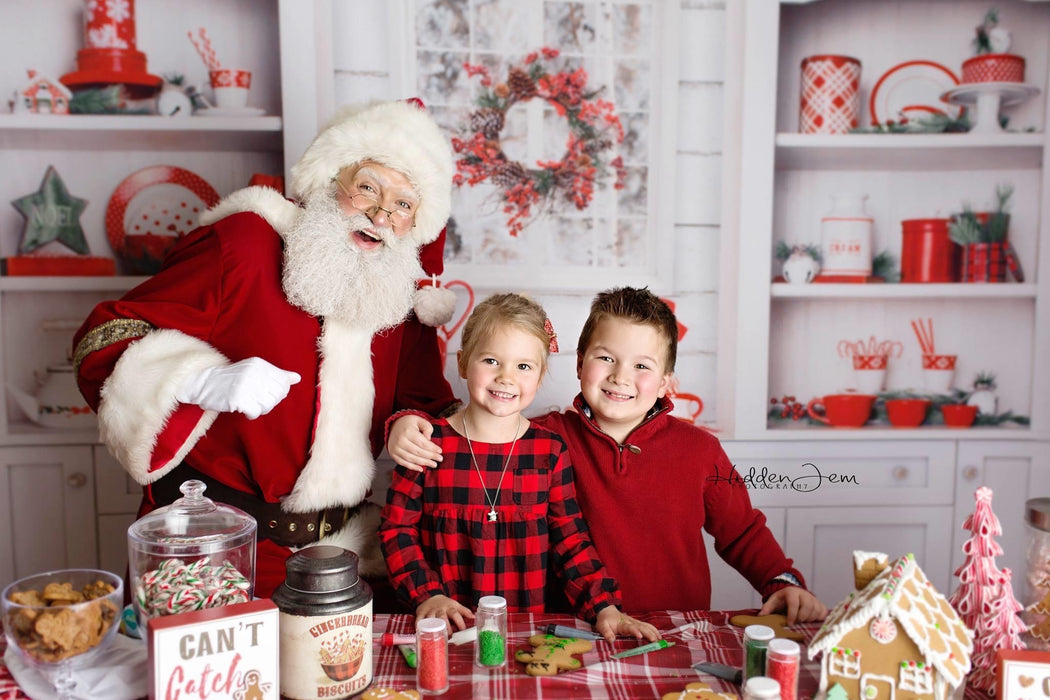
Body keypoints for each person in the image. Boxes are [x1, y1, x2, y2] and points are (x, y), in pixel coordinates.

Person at [72, 100, 462, 598]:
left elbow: (423, 400)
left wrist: (410, 423)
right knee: (200, 677)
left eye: (403, 204)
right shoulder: (243, 242)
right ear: (328, 180)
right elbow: (101, 338)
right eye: (367, 187)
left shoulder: (398, 289)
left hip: (337, 559)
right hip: (209, 546)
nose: (381, 215)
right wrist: (198, 379)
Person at [388, 287, 828, 623]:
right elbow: (479, 431)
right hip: (576, 631)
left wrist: (782, 581)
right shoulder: (545, 439)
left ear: (667, 380)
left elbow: (743, 531)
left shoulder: (701, 451)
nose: (621, 377)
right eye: (606, 358)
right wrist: (403, 421)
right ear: (579, 364)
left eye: (642, 365)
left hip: (673, 627)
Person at [378, 293, 660, 642]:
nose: (506, 378)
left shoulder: (548, 450)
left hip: (524, 631)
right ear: (464, 363)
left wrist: (605, 607)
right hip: (446, 629)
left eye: (523, 366)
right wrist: (428, 594)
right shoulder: (426, 443)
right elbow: (396, 530)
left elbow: (570, 541)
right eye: (492, 361)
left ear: (540, 377)